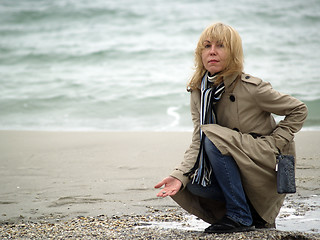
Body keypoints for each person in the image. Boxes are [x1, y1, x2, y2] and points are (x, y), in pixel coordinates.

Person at [154, 22, 308, 234]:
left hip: (262, 162)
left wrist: (274, 143)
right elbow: (199, 140)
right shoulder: (200, 91)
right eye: (207, 46)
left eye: (221, 46)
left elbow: (298, 109)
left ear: (233, 52)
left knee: (213, 137)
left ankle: (240, 215)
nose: (212, 52)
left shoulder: (251, 88)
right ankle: (250, 214)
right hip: (232, 158)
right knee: (193, 182)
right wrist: (179, 175)